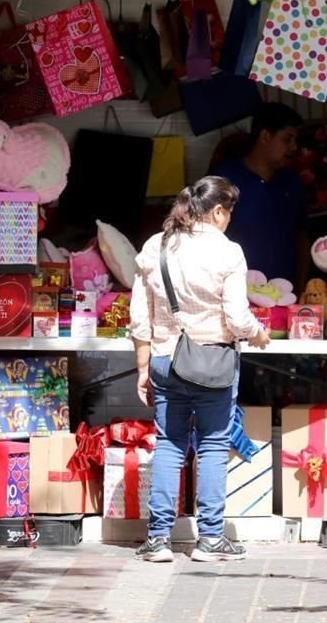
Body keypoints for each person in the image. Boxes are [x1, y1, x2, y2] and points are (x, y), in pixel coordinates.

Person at [129, 176, 271, 563]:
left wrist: (143, 366)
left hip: (164, 359)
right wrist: (258, 335)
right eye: (228, 214)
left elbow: (140, 316)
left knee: (169, 445)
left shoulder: (155, 246)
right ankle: (210, 539)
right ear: (219, 211)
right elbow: (238, 318)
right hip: (214, 362)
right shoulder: (228, 252)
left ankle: (157, 541)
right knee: (212, 445)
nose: (229, 221)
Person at [209, 102, 310, 291]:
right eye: (287, 139)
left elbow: (301, 238)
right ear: (265, 136)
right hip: (234, 297)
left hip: (284, 296)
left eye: (295, 140)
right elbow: (204, 239)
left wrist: (302, 288)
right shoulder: (224, 180)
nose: (294, 147)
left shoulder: (292, 182)